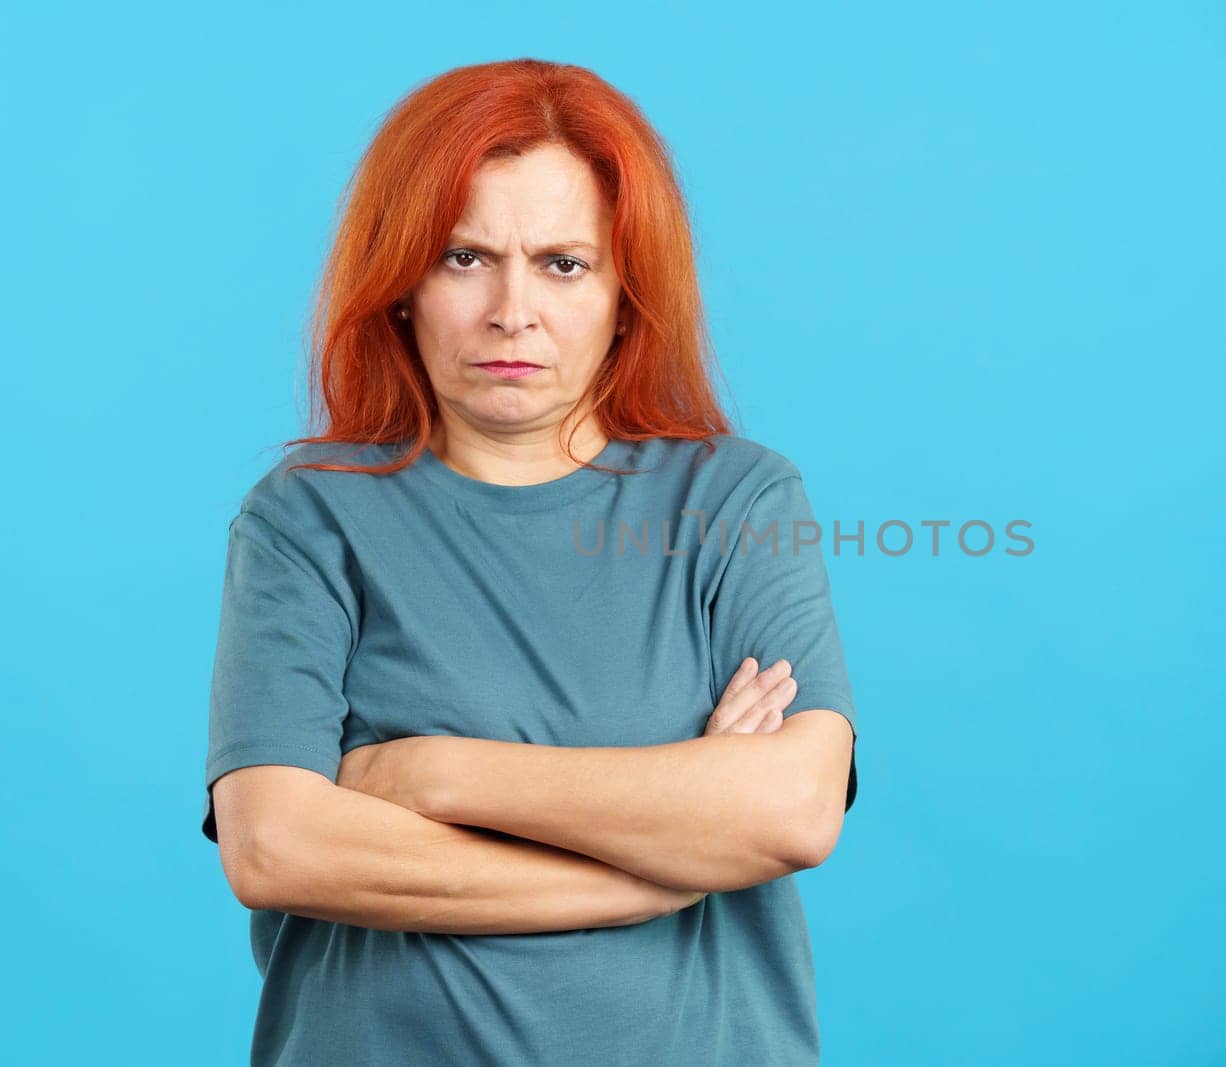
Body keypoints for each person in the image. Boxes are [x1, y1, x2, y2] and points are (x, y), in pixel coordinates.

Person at [200, 58, 859, 1066]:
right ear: (402, 287)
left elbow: (791, 809)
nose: (513, 310)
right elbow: (276, 844)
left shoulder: (737, 501)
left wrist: (428, 771)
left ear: (624, 293)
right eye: (465, 258)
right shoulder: (307, 519)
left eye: (563, 263)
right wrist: (658, 867)